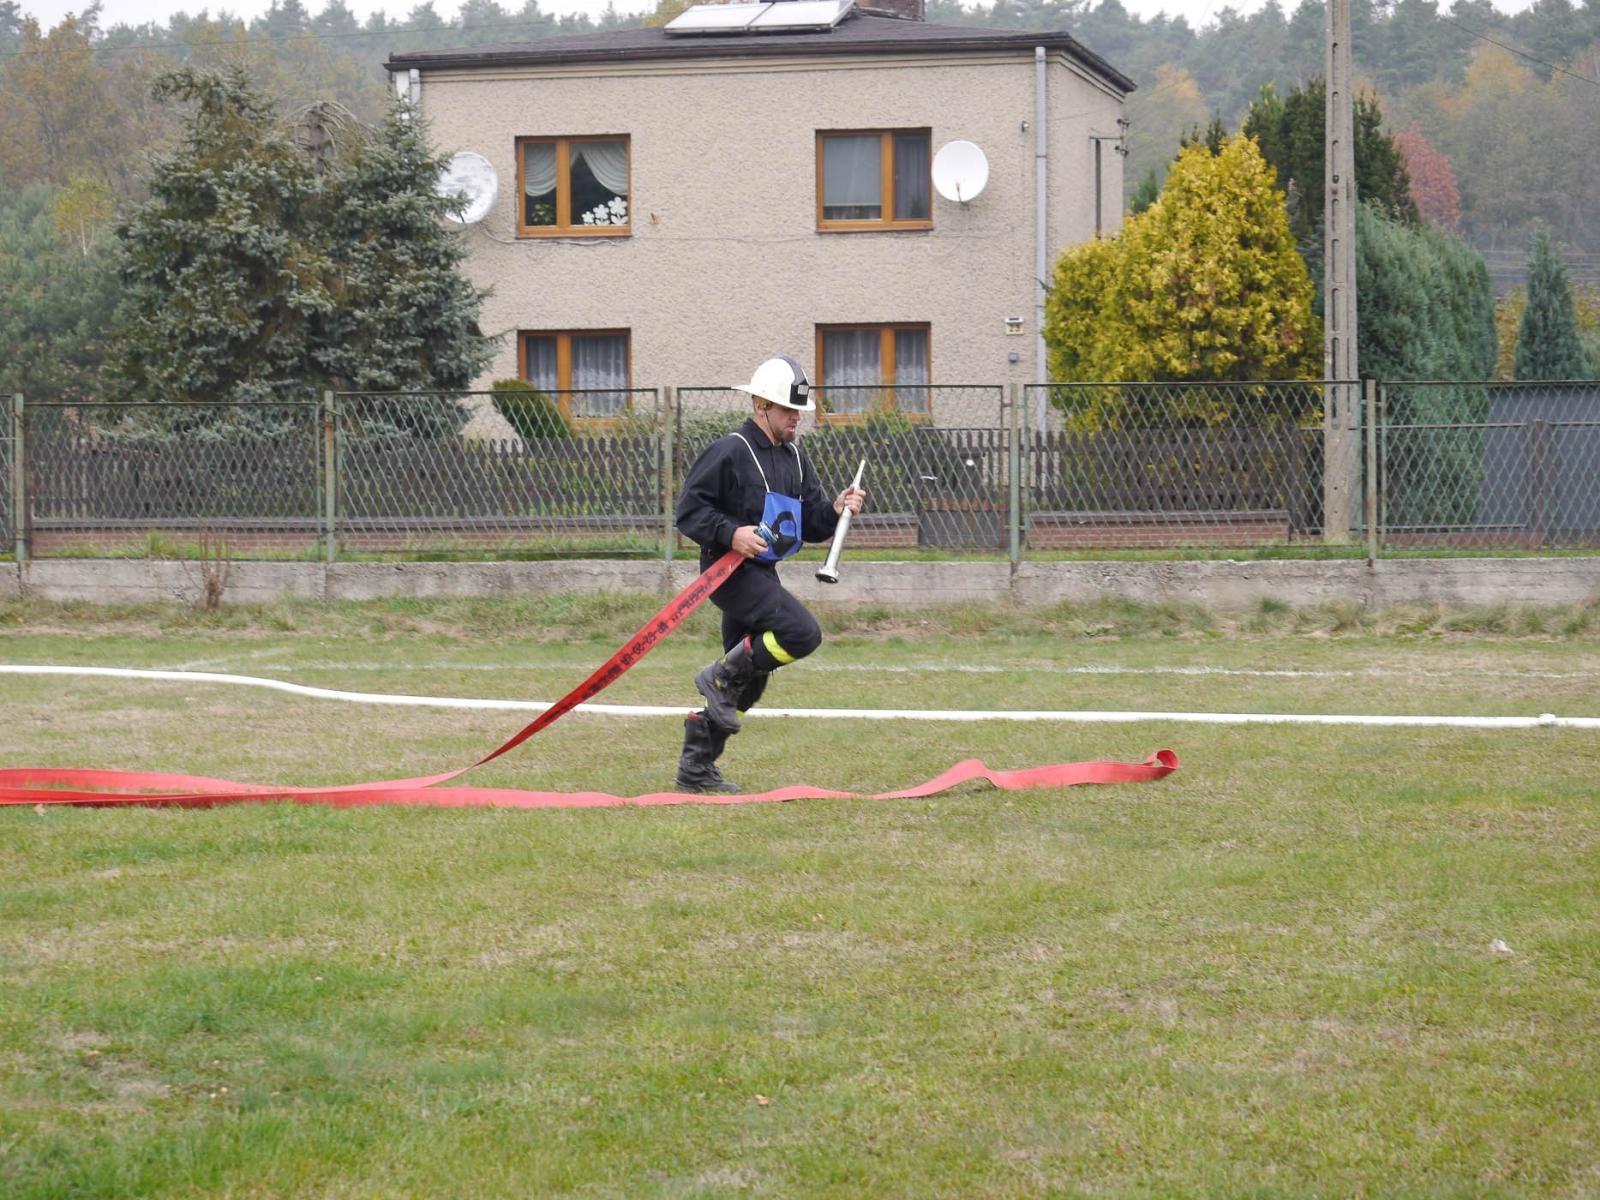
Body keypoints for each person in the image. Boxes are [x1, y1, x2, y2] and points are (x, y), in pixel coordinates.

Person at [672, 355, 866, 793]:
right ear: (761, 407)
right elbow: (689, 512)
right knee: (803, 633)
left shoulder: (795, 459)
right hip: (728, 574)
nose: (796, 418)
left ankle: (696, 768)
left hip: (763, 575)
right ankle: (719, 676)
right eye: (787, 410)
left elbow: (810, 523)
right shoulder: (729, 451)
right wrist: (731, 533)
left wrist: (835, 510)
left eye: (798, 411)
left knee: (749, 686)